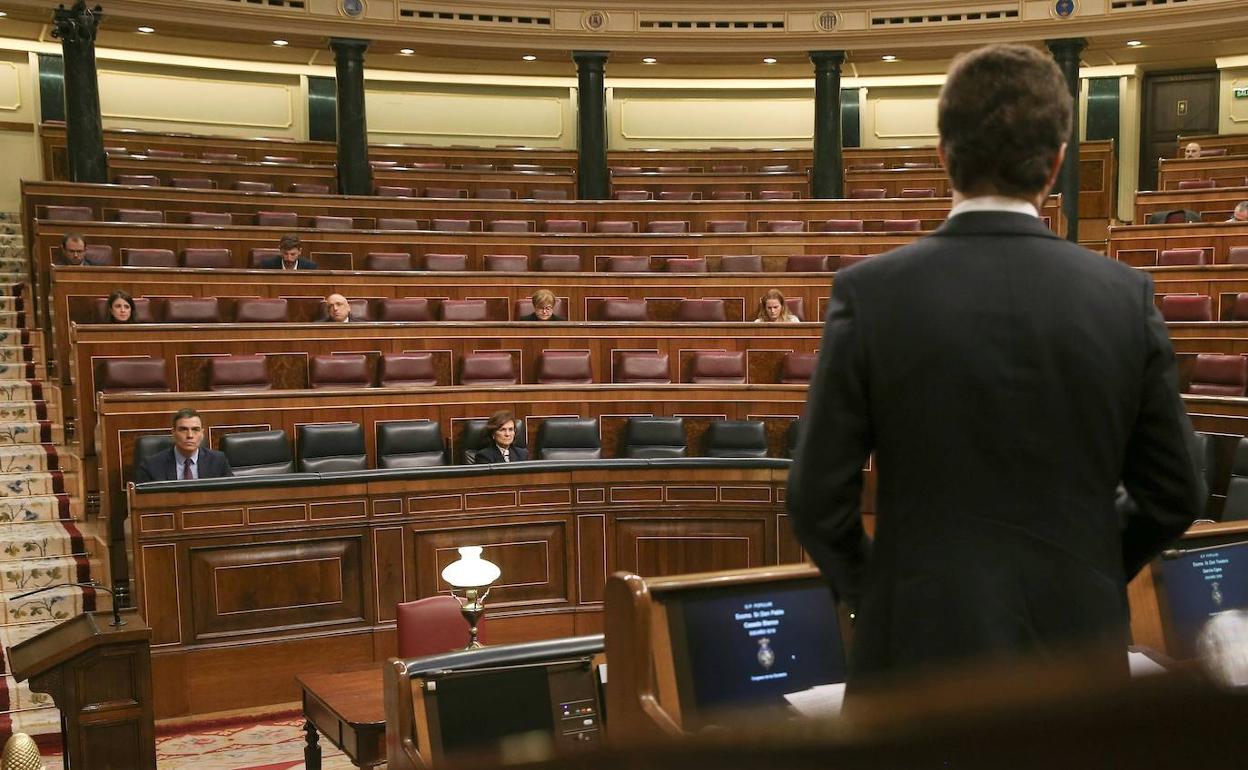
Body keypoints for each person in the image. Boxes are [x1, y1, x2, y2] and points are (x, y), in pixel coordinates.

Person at [787, 44, 1203, 695]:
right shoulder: (1125, 297)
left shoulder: (871, 294)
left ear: (943, 154)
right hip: (1077, 654)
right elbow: (1176, 489)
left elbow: (815, 498)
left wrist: (884, 593)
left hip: (914, 659)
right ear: (1058, 161)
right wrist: (1089, 570)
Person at [134, 408, 233, 482]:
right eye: (183, 429)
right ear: (173, 433)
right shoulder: (152, 466)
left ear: (202, 434)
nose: (190, 435)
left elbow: (232, 495)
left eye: (195, 429)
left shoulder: (218, 461)